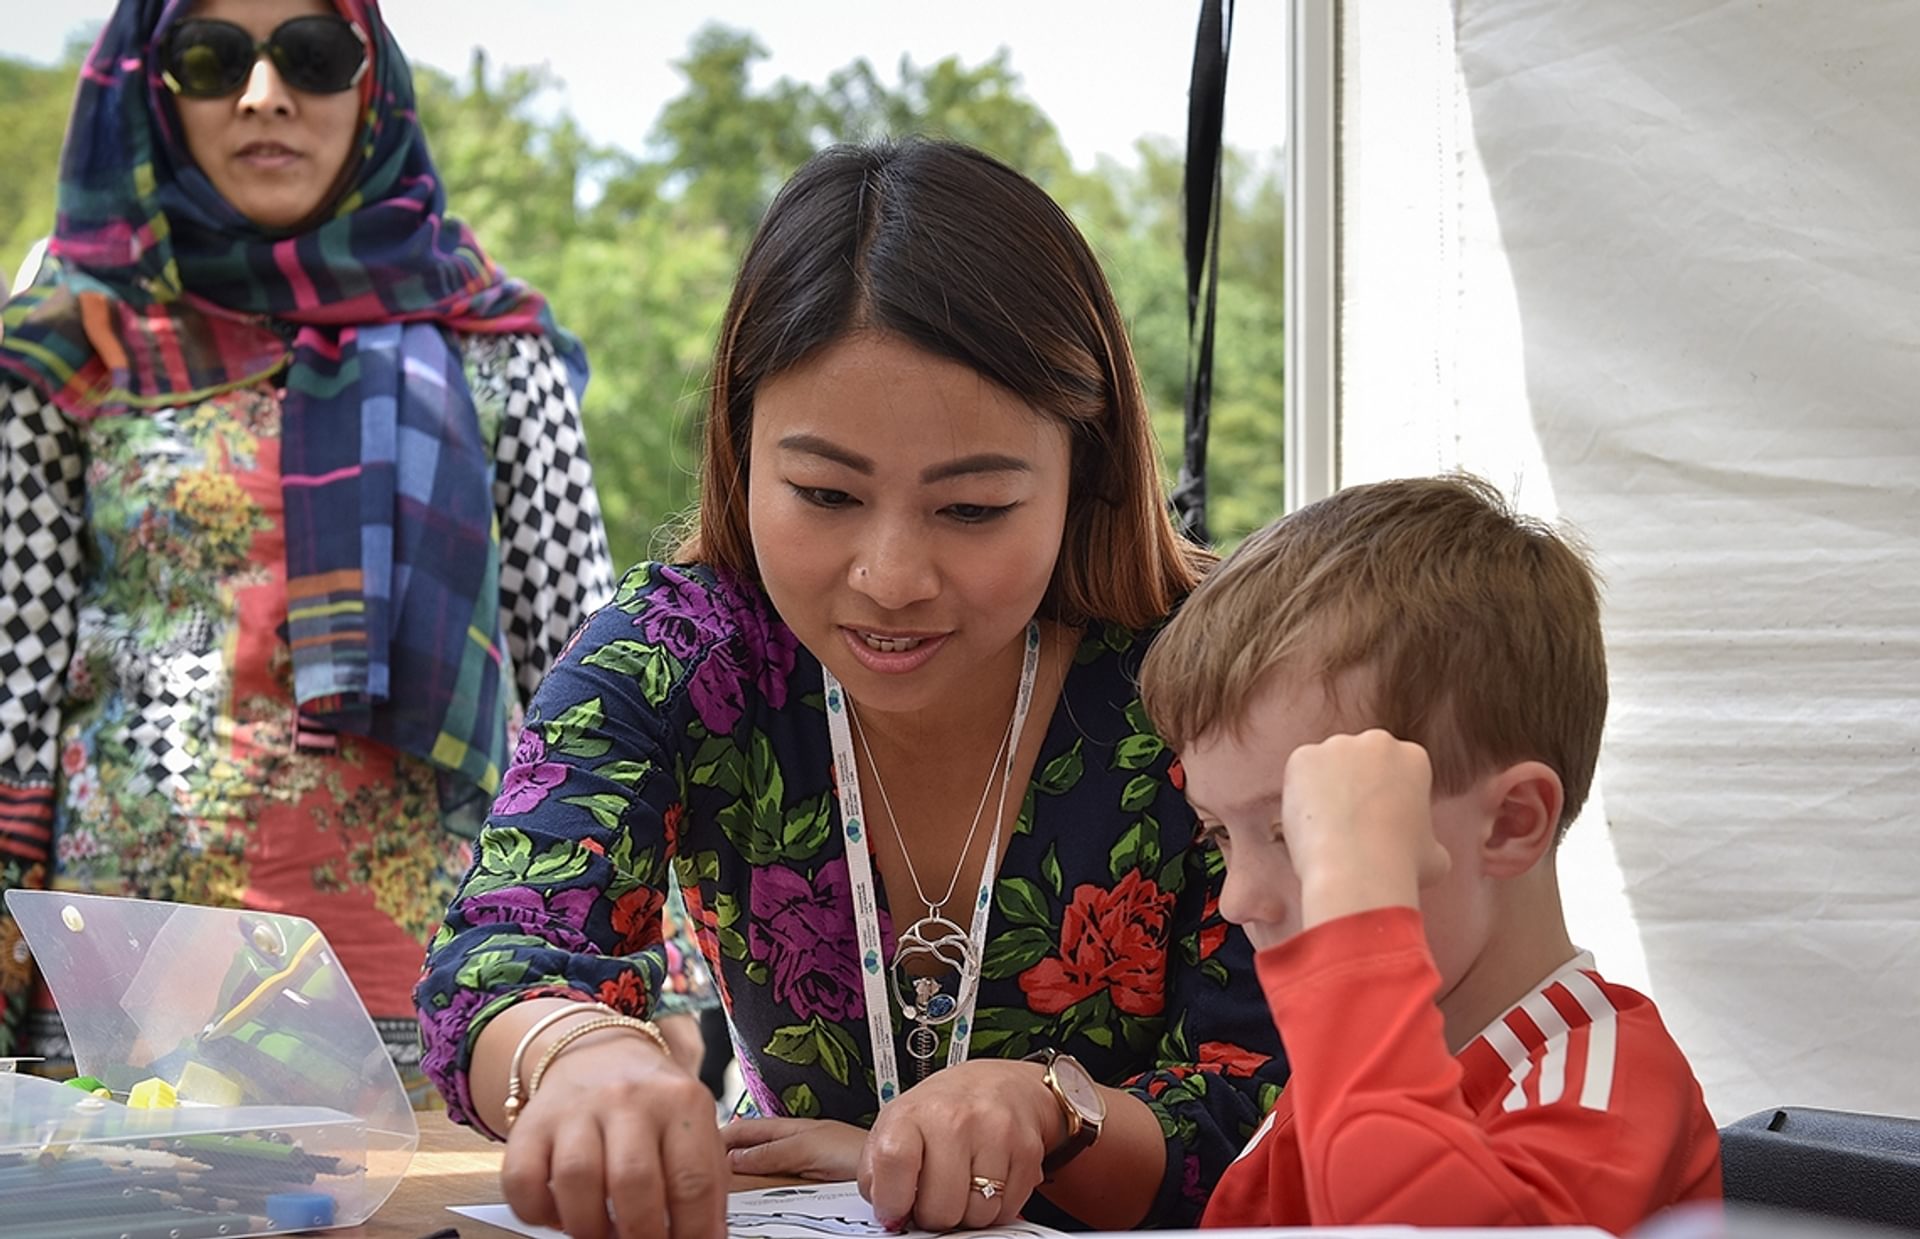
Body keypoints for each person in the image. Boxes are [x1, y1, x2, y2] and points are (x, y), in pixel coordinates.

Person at [415, 137, 1289, 1239]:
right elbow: (491, 966)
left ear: (1090, 472)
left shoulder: (1217, 680)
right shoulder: (673, 656)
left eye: (972, 510)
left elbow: (1255, 1117)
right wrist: (580, 1058)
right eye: (825, 494)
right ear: (740, 451)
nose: (890, 579)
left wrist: (1051, 1109)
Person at [0, 0, 711, 1096]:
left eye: (312, 55)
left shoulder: (492, 349)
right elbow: (14, 684)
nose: (263, 93)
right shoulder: (72, 339)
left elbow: (594, 692)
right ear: (150, 83)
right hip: (119, 994)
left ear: (369, 83)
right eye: (212, 57)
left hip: (432, 1001)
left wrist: (647, 984)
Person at [1135, 474, 1722, 1234]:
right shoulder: (1349, 1074)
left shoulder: (1604, 1084)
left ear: (1511, 823)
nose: (1239, 895)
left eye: (1302, 830)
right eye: (1219, 832)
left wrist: (1357, 930)